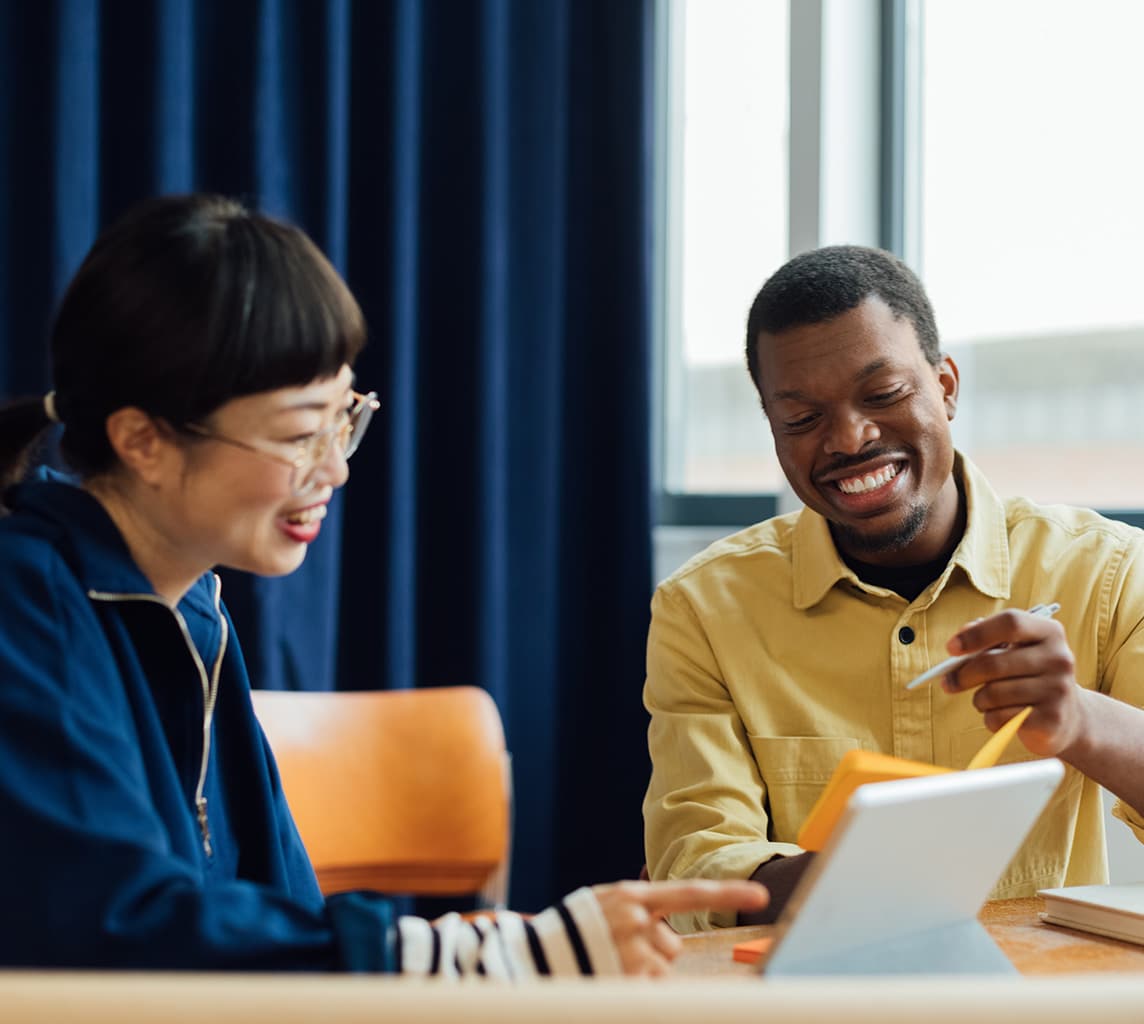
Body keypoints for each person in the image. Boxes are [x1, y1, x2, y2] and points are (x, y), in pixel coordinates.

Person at [0, 194, 767, 974]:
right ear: (143, 441)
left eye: (344, 421)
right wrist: (495, 955)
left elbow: (279, 908)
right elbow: (108, 923)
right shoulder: (26, 603)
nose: (334, 469)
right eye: (301, 434)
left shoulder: (190, 606)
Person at [643, 244, 1144, 932]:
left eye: (883, 395)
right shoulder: (702, 608)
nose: (849, 438)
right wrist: (870, 876)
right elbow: (693, 860)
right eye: (801, 419)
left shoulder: (1105, 572)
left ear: (946, 387)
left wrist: (1082, 721)